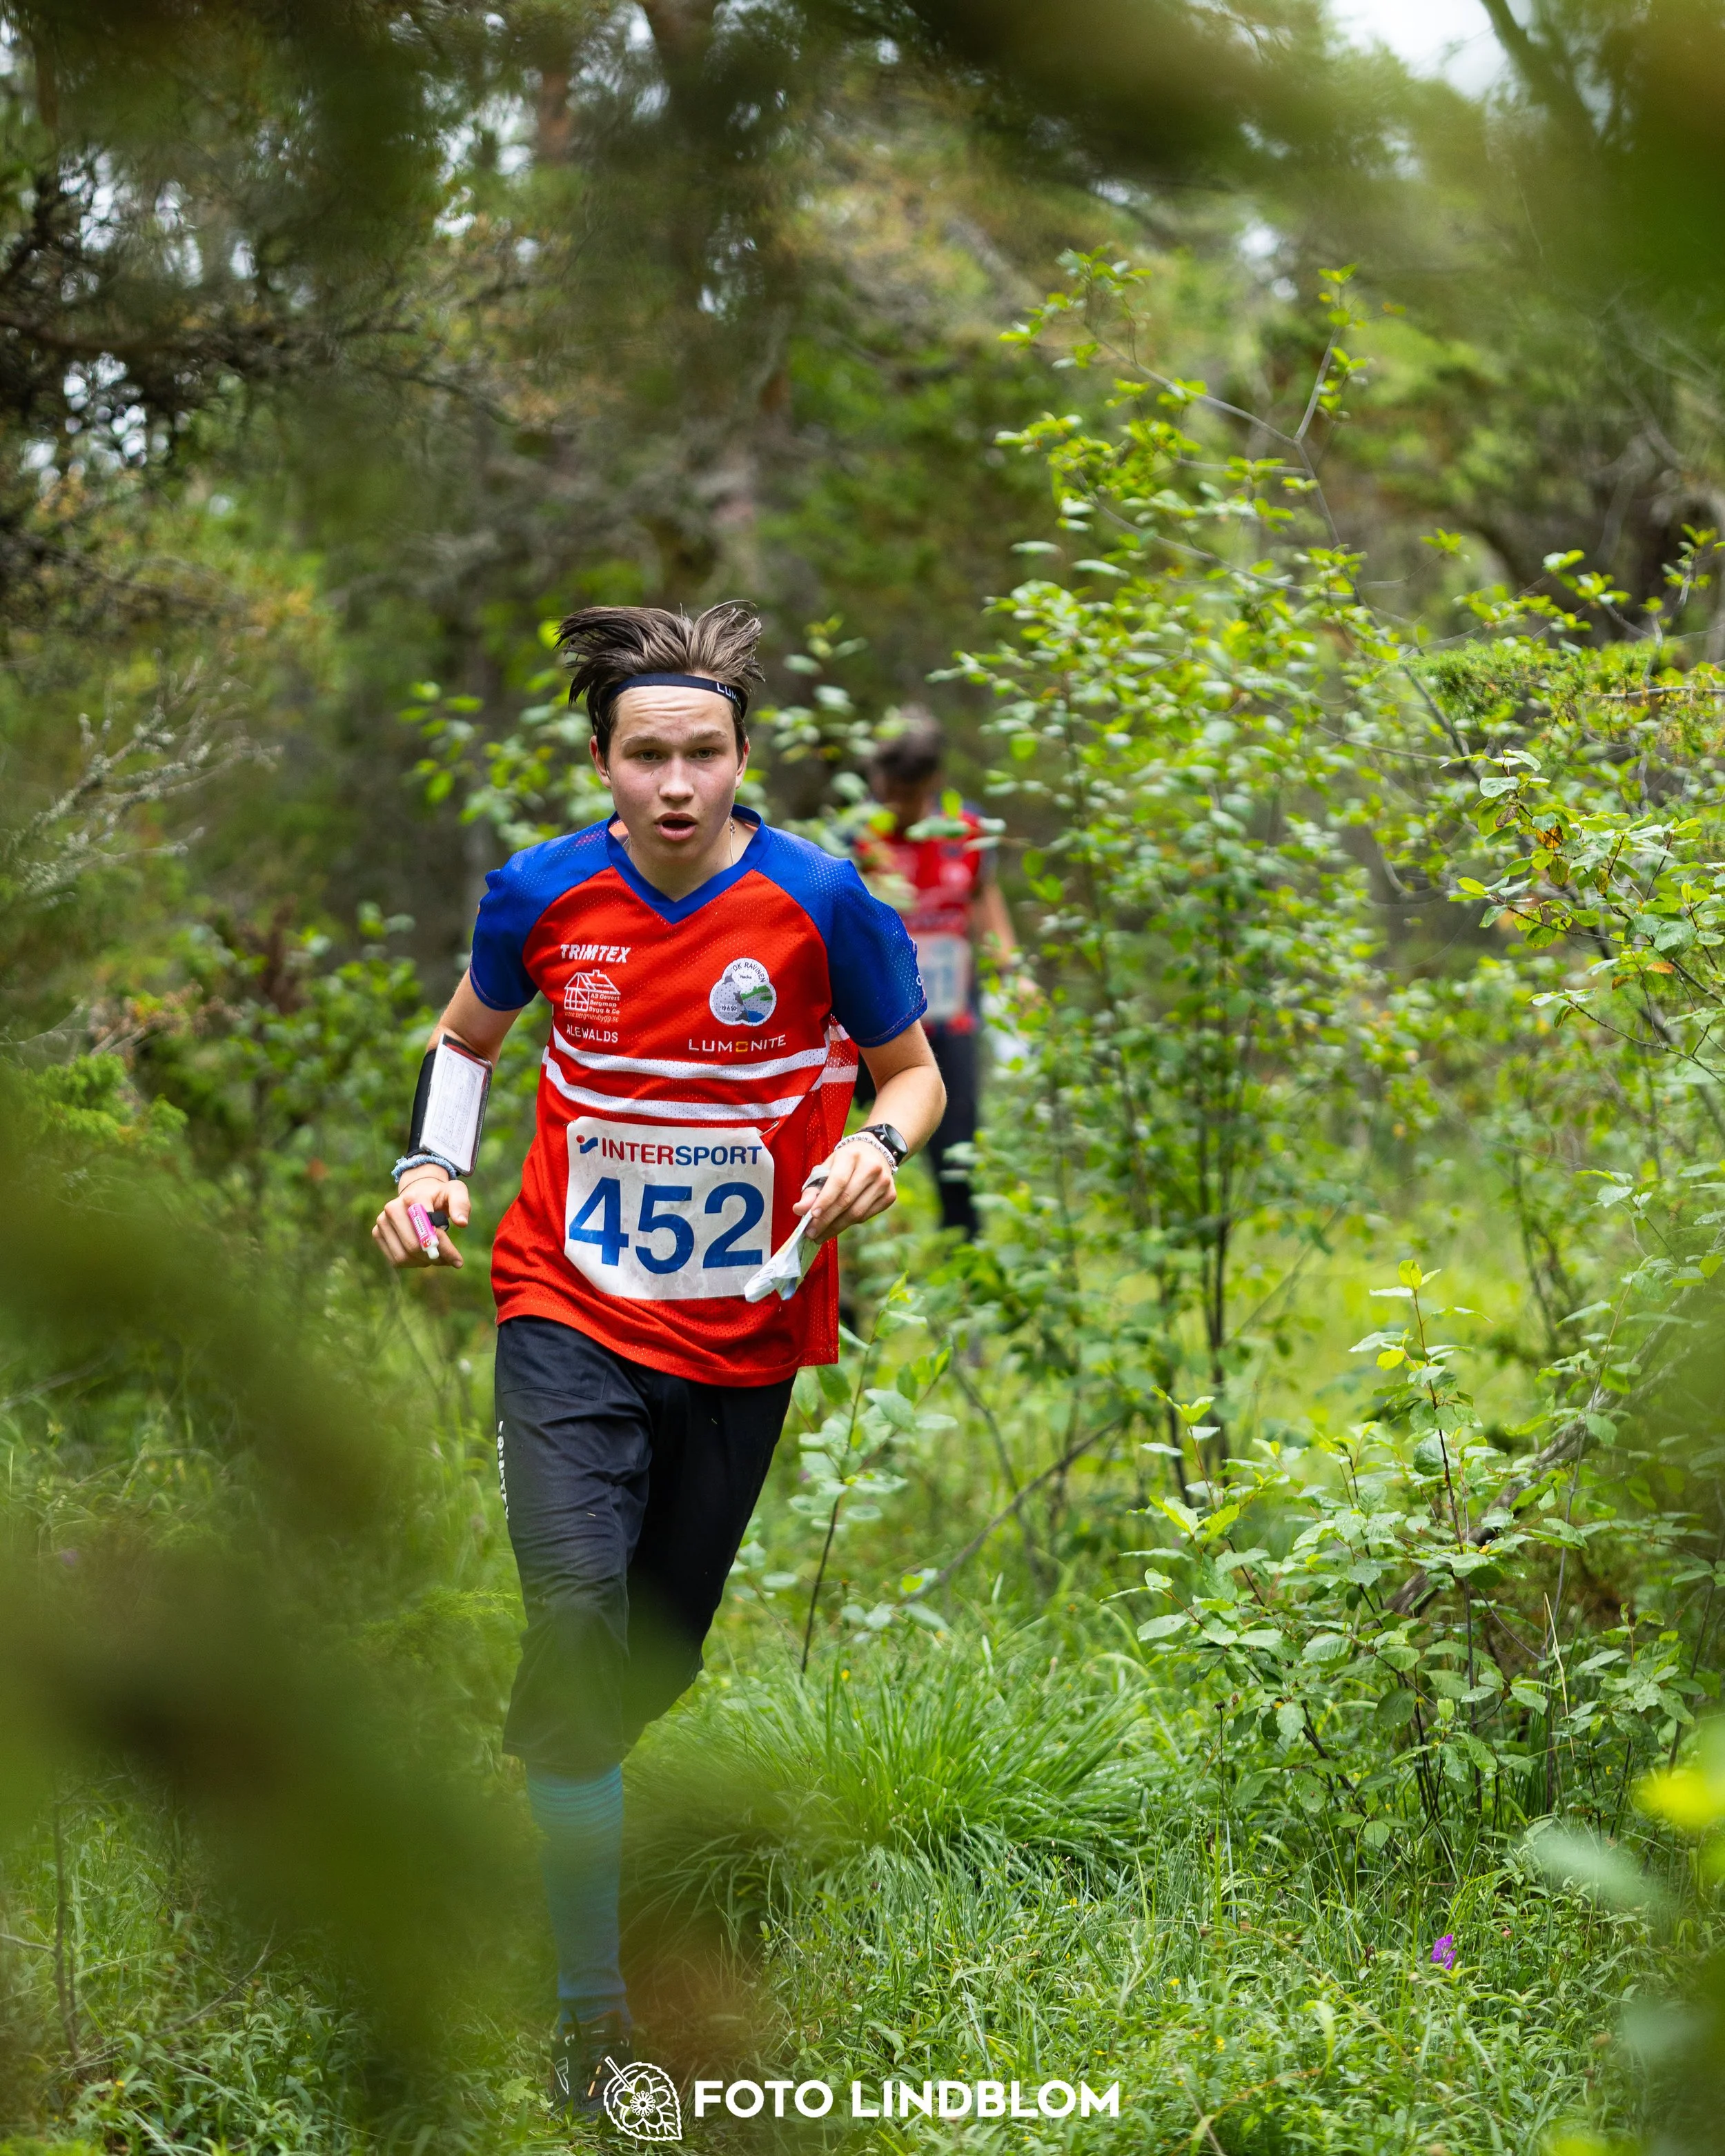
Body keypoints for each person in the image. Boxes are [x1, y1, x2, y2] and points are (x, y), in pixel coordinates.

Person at [371, 603, 944, 2117]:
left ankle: (567, 1787)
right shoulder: (541, 891)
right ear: (602, 762)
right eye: (646, 756)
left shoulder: (824, 901)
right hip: (565, 1302)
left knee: (649, 1655)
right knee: (575, 1631)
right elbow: (467, 1042)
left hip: (744, 1327)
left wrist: (877, 1146)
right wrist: (431, 1168)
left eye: (703, 753)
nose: (676, 783)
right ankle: (587, 2011)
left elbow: (913, 1070)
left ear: (742, 757)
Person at [852, 712, 1021, 1240]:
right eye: (888, 790)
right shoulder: (858, 836)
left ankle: (966, 1284)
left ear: (932, 783)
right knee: (846, 1146)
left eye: (908, 793)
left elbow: (984, 899)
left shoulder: (966, 829)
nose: (896, 804)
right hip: (870, 1026)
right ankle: (847, 1282)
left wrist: (1012, 971)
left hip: (951, 1022)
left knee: (957, 1160)